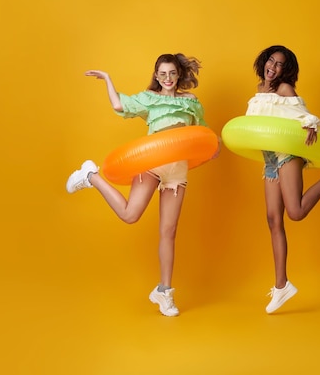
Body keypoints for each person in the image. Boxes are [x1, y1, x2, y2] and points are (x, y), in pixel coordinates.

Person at [66, 53, 213, 317]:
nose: (167, 78)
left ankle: (164, 292)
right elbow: (121, 106)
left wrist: (214, 147)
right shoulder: (150, 99)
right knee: (130, 215)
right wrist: (108, 80)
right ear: (156, 76)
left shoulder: (192, 102)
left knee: (169, 232)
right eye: (162, 74)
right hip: (152, 163)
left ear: (178, 74)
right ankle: (91, 176)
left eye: (172, 73)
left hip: (177, 171)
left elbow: (202, 134)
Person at [246, 45, 320, 314]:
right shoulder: (260, 90)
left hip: (288, 153)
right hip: (270, 160)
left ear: (285, 70)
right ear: (264, 62)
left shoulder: (285, 90)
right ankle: (281, 286)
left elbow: (305, 116)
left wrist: (311, 124)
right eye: (271, 61)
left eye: (279, 65)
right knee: (273, 219)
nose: (273, 68)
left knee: (296, 212)